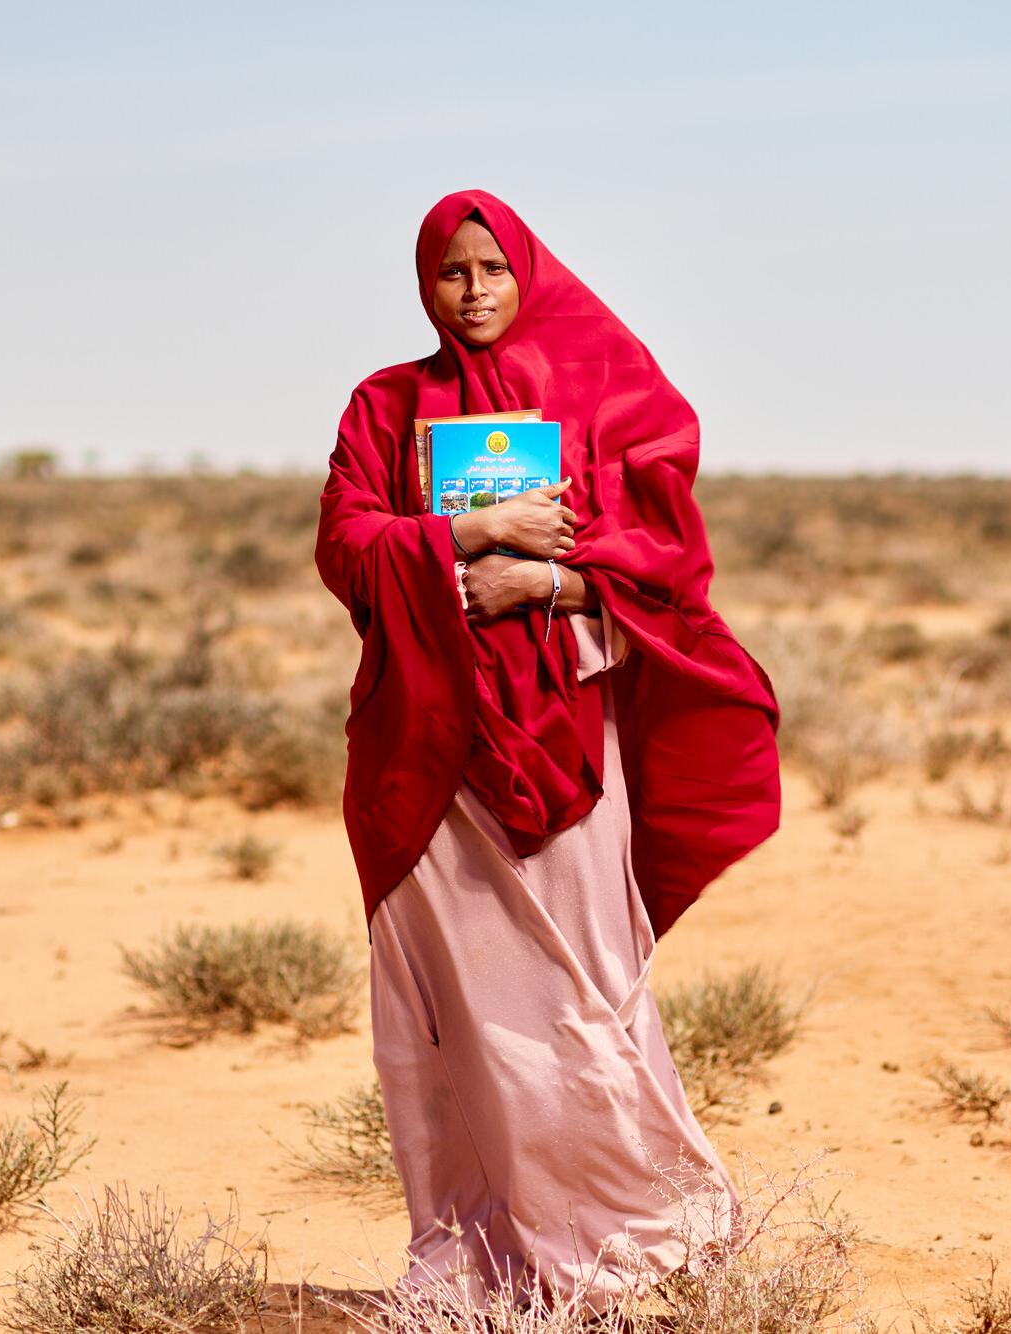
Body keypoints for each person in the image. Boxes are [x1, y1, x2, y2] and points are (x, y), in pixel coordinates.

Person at [313, 189, 782, 1314]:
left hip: (570, 734)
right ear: (424, 286)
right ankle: (483, 1254)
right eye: (449, 274)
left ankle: (644, 1242)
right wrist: (475, 529)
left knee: (585, 984)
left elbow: (664, 561)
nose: (472, 293)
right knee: (458, 1004)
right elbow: (344, 541)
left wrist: (548, 576)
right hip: (427, 751)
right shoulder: (387, 405)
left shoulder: (600, 398)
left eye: (491, 269)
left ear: (527, 274)